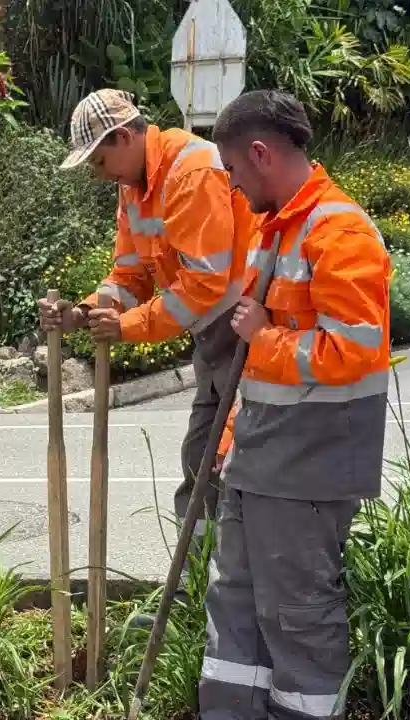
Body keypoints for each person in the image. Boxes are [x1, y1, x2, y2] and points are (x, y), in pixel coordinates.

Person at [198, 89, 391, 720]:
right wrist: (229, 445)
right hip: (260, 461)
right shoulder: (274, 227)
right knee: (235, 605)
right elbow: (255, 370)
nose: (229, 183)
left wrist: (264, 336)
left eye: (230, 168)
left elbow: (355, 350)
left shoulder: (340, 230)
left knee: (297, 617)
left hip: (308, 467)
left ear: (260, 154)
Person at [39, 88, 260, 620]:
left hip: (250, 335)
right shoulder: (134, 188)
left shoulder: (192, 172)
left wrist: (128, 327)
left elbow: (205, 283)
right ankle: (195, 596)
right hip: (216, 341)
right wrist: (85, 313)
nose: (99, 173)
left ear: (124, 137)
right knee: (201, 464)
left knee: (231, 469)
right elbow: (131, 275)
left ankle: (227, 599)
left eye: (100, 159)